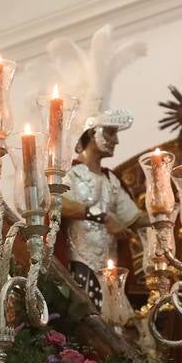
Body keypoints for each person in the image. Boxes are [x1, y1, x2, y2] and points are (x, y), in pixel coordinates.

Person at [61, 121, 144, 306]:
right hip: (80, 269)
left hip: (111, 274)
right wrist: (103, 217)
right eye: (110, 133)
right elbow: (57, 203)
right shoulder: (69, 174)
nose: (116, 140)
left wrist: (167, 212)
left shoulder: (111, 179)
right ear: (91, 133)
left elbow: (134, 219)